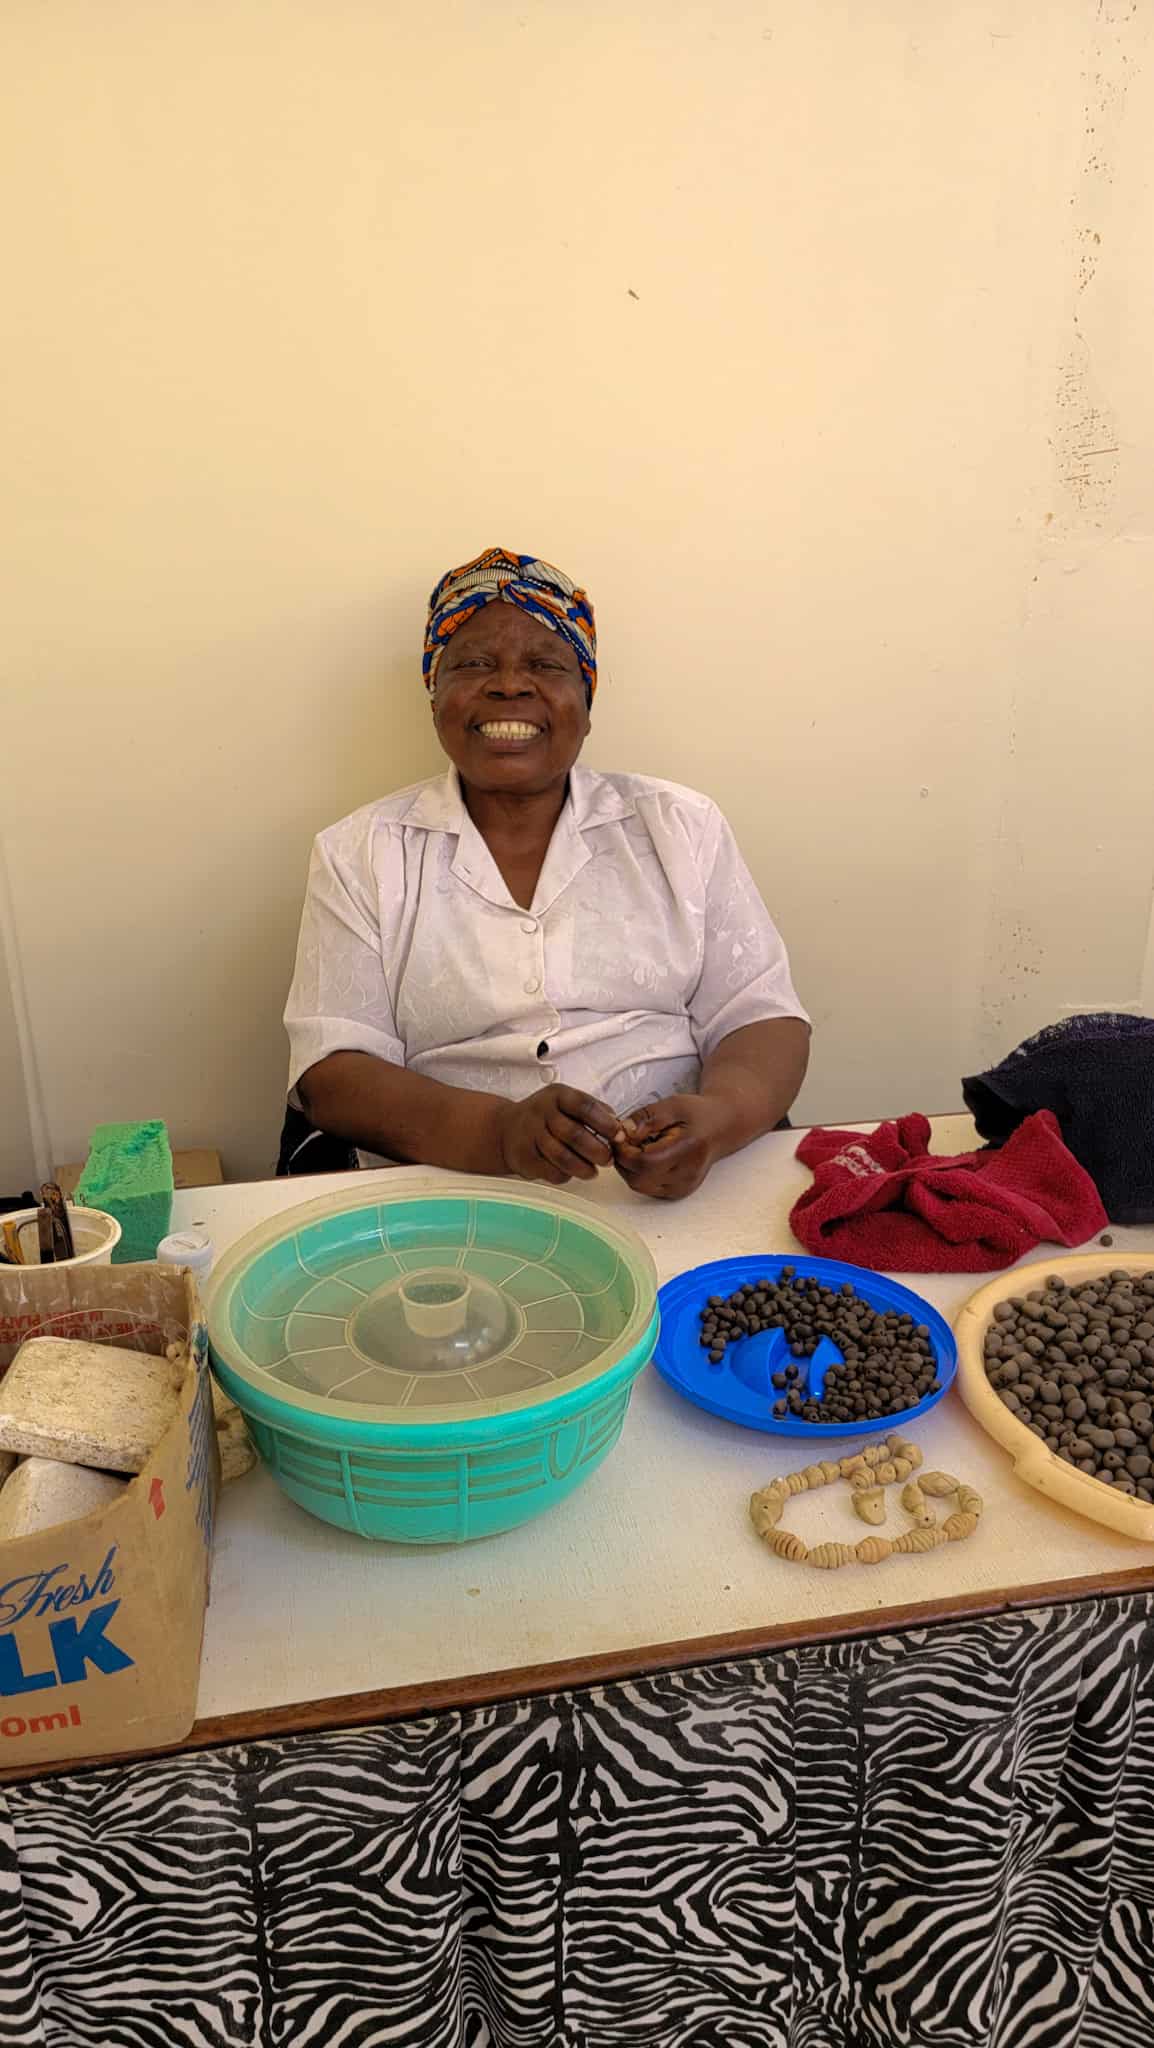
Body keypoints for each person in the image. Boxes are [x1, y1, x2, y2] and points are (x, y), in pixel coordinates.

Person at [283, 547, 809, 1201]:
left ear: (585, 702)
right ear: (435, 698)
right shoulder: (361, 850)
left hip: (681, 1191)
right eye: (473, 663)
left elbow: (762, 1015)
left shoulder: (681, 825)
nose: (509, 685)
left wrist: (722, 1118)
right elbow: (332, 1073)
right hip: (448, 1193)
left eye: (545, 664)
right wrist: (501, 1134)